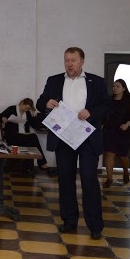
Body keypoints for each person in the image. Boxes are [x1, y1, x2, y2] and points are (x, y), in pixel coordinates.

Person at [37, 47, 109, 239]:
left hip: (88, 138)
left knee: (89, 179)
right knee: (65, 180)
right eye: (67, 60)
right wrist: (46, 103)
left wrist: (91, 112)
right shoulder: (54, 80)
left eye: (73, 60)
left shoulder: (96, 82)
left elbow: (107, 106)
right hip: (64, 137)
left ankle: (95, 226)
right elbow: (40, 103)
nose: (69, 64)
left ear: (82, 61)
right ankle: (69, 221)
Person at [0, 98, 56, 176]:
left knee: (32, 141)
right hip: (12, 136)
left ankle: (29, 169)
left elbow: (34, 124)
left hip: (23, 136)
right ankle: (41, 165)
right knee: (33, 138)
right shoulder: (11, 109)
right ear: (22, 103)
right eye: (25, 107)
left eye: (28, 109)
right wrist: (3, 118)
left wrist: (34, 116)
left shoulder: (27, 113)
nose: (26, 110)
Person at [101, 79, 130, 187]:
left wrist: (127, 124)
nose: (115, 88)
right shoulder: (109, 100)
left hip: (123, 131)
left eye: (118, 86)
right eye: (113, 86)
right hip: (110, 130)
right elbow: (104, 114)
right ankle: (109, 179)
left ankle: (125, 171)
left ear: (123, 88)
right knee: (109, 153)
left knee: (122, 156)